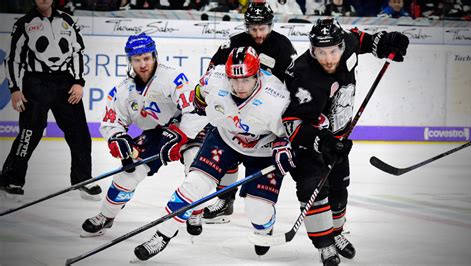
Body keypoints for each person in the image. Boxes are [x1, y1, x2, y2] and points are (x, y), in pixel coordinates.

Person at [132, 46, 295, 261]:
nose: (239, 86)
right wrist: (183, 132)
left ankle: (264, 228)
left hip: (263, 149)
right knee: (193, 184)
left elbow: (294, 130)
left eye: (245, 79)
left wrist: (285, 144)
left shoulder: (277, 98)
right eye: (234, 80)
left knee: (258, 210)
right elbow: (198, 104)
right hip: (224, 138)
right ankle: (162, 235)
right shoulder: (214, 78)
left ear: (257, 75)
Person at [283, 18, 409, 265]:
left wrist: (387, 43)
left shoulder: (347, 43)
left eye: (333, 51)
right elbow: (292, 124)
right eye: (321, 52)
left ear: (341, 46)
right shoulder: (303, 76)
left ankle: (337, 233)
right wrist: (323, 141)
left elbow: (362, 39)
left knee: (339, 190)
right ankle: (325, 244)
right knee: (314, 188)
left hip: (339, 137)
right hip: (307, 142)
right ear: (312, 50)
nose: (328, 58)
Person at [80, 32, 207, 237]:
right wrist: (116, 138)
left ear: (155, 56)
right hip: (156, 134)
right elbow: (111, 121)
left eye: (147, 58)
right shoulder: (123, 90)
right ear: (130, 60)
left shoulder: (173, 77)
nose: (143, 64)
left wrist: (180, 134)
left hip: (188, 130)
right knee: (129, 173)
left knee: (195, 166)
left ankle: (196, 211)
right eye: (137, 60)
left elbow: (196, 111)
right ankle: (106, 215)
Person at [198, 0, 297, 226]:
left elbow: (293, 86)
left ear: (271, 25)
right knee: (226, 147)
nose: (258, 33)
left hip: (264, 118)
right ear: (246, 26)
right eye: (253, 28)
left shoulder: (283, 47)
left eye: (262, 28)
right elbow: (213, 72)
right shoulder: (234, 43)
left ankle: (262, 212)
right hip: (236, 107)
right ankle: (225, 200)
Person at [0, 0, 101, 201]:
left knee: (79, 132)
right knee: (30, 132)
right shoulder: (24, 23)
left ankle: (82, 179)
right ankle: (11, 180)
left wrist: (79, 81)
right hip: (35, 83)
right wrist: (15, 89)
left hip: (65, 83)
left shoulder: (67, 20)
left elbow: (77, 52)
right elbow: (13, 58)